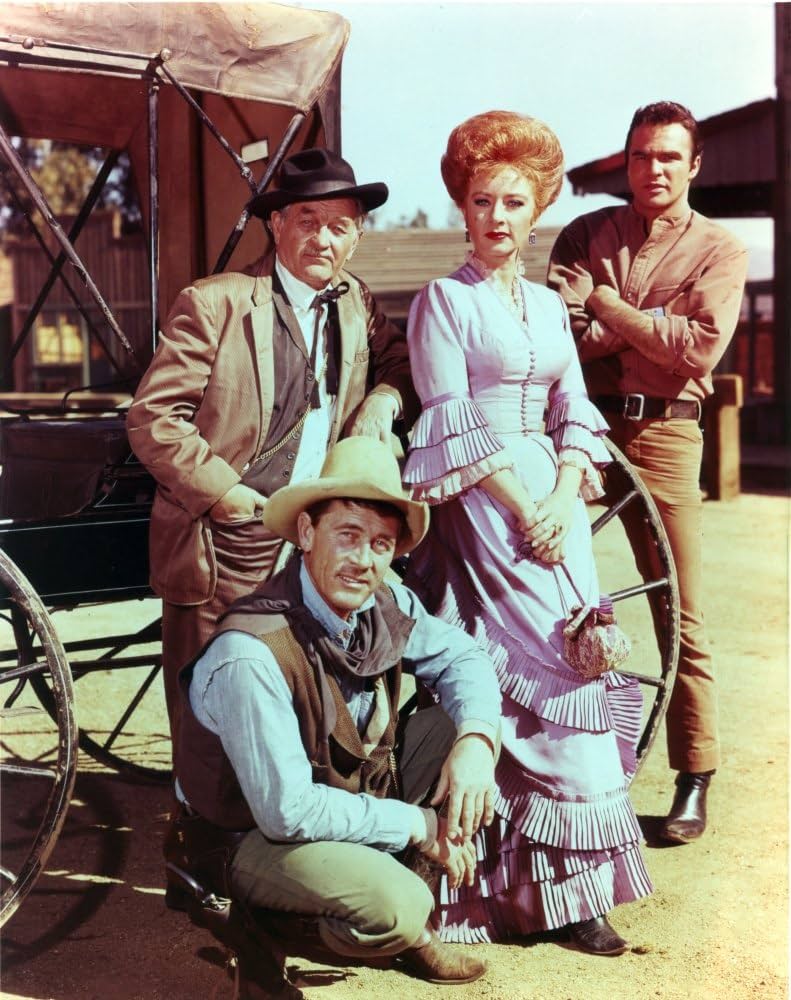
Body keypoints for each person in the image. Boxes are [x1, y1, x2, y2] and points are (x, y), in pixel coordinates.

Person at [401, 110, 651, 956]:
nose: (497, 217)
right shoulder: (443, 301)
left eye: (513, 201)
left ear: (536, 208)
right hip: (482, 501)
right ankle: (525, 894)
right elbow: (448, 415)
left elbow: (573, 405)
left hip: (555, 498)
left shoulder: (548, 306)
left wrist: (568, 491)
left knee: (582, 656)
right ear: (462, 209)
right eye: (481, 201)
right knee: (537, 673)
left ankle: (568, 894)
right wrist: (521, 506)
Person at [167, 436, 502, 999]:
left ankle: (405, 920)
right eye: (347, 535)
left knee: (456, 728)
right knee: (394, 907)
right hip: (243, 836)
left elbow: (465, 657)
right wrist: (419, 826)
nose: (363, 560)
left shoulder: (383, 602)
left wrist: (476, 744)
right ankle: (253, 936)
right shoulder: (252, 652)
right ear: (306, 533)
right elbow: (287, 812)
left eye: (380, 543)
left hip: (333, 797)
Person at [127, 148, 416, 746]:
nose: (323, 240)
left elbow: (403, 365)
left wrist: (382, 401)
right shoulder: (216, 303)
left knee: (305, 698)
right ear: (277, 224)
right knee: (212, 701)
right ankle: (201, 807)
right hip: (226, 541)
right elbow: (154, 417)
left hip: (315, 538)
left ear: (357, 237)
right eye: (308, 221)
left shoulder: (356, 302)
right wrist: (221, 493)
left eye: (339, 226)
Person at [547, 101, 748, 844]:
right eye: (640, 155)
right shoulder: (584, 234)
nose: (652, 169)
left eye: (667, 156)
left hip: (666, 434)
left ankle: (694, 775)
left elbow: (696, 351)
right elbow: (560, 335)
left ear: (693, 165)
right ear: (626, 162)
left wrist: (606, 304)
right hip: (582, 427)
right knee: (545, 584)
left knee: (680, 610)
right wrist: (648, 326)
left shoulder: (720, 250)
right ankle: (548, 771)